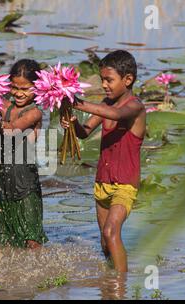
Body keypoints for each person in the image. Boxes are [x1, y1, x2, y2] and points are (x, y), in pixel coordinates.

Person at [61, 50, 146, 272]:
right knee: (104, 242)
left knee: (111, 233)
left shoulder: (135, 107)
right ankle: (108, 285)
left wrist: (75, 102)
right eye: (102, 80)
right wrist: (72, 123)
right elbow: (84, 132)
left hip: (125, 185)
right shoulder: (106, 104)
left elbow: (117, 116)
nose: (105, 85)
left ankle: (120, 287)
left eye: (109, 80)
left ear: (128, 80)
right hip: (102, 182)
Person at [0, 59, 48, 249]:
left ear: (38, 87)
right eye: (14, 87)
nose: (18, 93)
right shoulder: (5, 106)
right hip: (3, 179)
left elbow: (11, 130)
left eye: (25, 89)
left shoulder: (34, 113)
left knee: (31, 237)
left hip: (25, 182)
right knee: (6, 236)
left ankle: (39, 274)